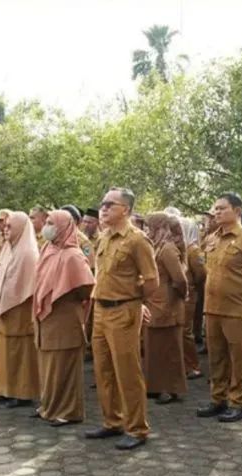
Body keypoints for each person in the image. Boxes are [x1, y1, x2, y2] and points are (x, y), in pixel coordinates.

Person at [85, 187, 158, 450]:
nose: (102, 208)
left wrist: (133, 301)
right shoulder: (104, 237)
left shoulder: (137, 240)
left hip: (123, 310)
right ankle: (111, 421)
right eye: (102, 203)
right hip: (101, 310)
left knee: (127, 372)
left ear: (125, 209)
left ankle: (137, 428)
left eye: (109, 204)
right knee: (103, 370)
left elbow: (151, 281)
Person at [197, 193, 242, 423]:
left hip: (237, 308)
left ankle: (237, 402)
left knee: (239, 357)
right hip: (213, 307)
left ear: (237, 211)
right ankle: (218, 398)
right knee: (216, 357)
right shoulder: (212, 238)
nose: (216, 212)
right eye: (215, 209)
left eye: (222, 208)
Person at [34, 210, 95, 425]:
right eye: (47, 222)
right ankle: (49, 405)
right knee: (49, 364)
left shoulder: (74, 255)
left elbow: (86, 288)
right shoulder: (47, 249)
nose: (46, 226)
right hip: (47, 317)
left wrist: (66, 294)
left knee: (64, 365)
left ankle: (68, 411)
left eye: (51, 223)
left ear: (64, 226)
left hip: (65, 316)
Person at [0, 211, 40, 407]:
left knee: (21, 353)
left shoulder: (28, 253)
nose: (6, 230)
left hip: (19, 309)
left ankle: (23, 393)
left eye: (10, 227)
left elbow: (28, 284)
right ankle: (6, 389)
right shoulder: (7, 248)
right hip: (4, 306)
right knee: (4, 351)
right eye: (6, 226)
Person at [143, 213, 189, 404]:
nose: (146, 231)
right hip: (156, 305)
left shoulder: (168, 249)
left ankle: (171, 389)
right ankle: (156, 386)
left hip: (167, 307)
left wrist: (179, 296)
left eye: (149, 227)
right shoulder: (157, 246)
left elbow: (179, 279)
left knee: (170, 350)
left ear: (159, 227)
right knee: (156, 349)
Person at [180, 217, 205, 379]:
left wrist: (192, 286)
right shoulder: (180, 247)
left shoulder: (193, 249)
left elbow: (201, 273)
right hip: (181, 294)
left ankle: (193, 365)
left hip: (189, 293)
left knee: (185, 330)